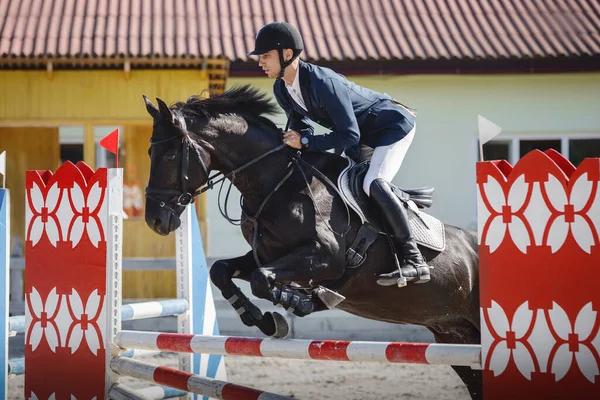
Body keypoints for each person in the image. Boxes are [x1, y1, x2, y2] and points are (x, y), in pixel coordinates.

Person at [248, 21, 431, 286]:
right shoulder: (282, 89)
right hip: (361, 136)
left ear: (287, 54)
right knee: (343, 186)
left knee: (373, 184)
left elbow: (348, 136)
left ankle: (415, 260)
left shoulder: (323, 82)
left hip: (392, 127)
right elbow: (299, 129)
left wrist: (307, 141)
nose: (260, 62)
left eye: (265, 56)